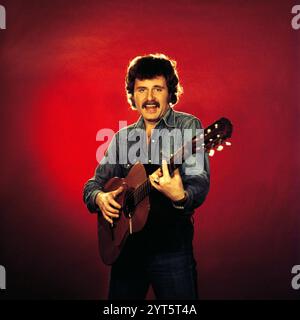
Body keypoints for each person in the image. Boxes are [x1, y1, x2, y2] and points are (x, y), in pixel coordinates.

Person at [83, 53, 210, 300]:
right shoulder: (123, 138)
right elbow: (92, 185)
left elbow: (200, 180)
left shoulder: (188, 127)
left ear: (170, 92)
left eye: (157, 89)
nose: (149, 98)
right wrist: (100, 198)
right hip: (127, 252)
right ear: (133, 95)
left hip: (172, 249)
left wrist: (181, 196)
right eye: (142, 89)